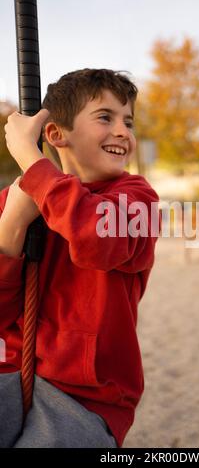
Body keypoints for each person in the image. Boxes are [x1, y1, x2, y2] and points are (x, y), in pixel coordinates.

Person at [0, 69, 160, 448]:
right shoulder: (14, 201)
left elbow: (96, 240)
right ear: (56, 134)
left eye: (128, 121)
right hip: (9, 372)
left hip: (87, 394)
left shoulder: (138, 200)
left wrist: (32, 162)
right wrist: (11, 228)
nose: (123, 131)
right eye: (105, 117)